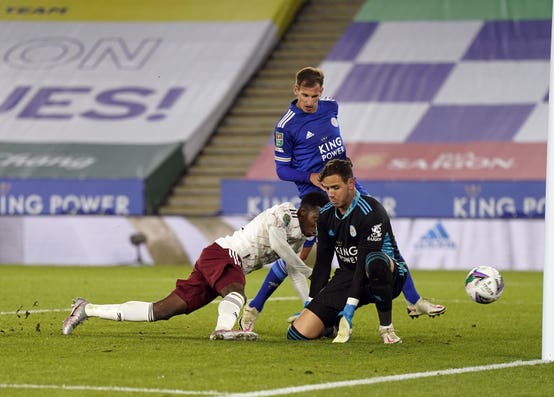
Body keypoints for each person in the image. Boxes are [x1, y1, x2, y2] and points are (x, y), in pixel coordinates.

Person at [240, 66, 444, 332]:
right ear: (295, 90)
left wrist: (343, 166)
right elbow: (281, 169)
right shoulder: (286, 126)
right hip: (318, 195)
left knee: (381, 234)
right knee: (300, 254)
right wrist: (310, 175)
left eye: (314, 96)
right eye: (305, 96)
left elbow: (335, 143)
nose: (310, 102)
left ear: (321, 92)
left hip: (349, 185)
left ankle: (413, 299)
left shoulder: (331, 108)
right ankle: (257, 306)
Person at [61, 191, 328, 340]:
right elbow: (280, 248)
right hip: (224, 254)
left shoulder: (302, 234)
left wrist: (310, 304)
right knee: (236, 292)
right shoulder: (281, 214)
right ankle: (223, 330)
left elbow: (291, 268)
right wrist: (309, 270)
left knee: (161, 310)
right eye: (317, 217)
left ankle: (87, 309)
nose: (319, 224)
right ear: (303, 212)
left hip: (218, 263)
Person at [287, 159, 405, 344]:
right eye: (326, 189)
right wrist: (310, 303)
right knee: (298, 334)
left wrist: (349, 308)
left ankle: (387, 329)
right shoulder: (325, 215)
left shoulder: (372, 211)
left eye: (335, 187)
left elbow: (363, 263)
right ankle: (330, 325)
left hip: (386, 275)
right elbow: (323, 264)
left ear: (350, 184)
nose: (330, 194)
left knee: (374, 263)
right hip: (349, 275)